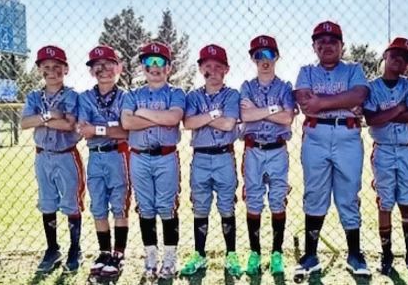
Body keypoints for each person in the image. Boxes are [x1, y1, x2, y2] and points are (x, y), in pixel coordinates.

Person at [293, 20, 371, 280]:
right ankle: (310, 255)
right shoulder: (306, 71)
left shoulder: (353, 69)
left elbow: (359, 95)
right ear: (314, 46)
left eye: (332, 41)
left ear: (342, 45)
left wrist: (321, 102)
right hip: (315, 135)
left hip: (347, 135)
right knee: (314, 192)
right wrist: (341, 101)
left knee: (348, 194)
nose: (327, 46)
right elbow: (306, 104)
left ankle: (355, 254)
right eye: (321, 42)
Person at [121, 42, 185, 280]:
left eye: (160, 62)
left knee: (167, 207)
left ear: (169, 67)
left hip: (166, 156)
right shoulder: (132, 95)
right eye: (149, 62)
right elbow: (127, 123)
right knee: (145, 208)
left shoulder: (176, 93)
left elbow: (174, 118)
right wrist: (160, 118)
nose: (155, 67)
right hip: (139, 156)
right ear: (143, 67)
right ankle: (150, 259)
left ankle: (169, 259)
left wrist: (142, 113)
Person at [363, 37, 408, 276]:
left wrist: (387, 113)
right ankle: (386, 254)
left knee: (407, 202)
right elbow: (372, 119)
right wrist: (398, 108)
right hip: (384, 149)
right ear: (385, 56)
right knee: (385, 202)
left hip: (406, 149)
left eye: (406, 59)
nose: (400, 61)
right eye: (395, 55)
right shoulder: (372, 86)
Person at [180, 44, 242, 278]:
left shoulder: (232, 94)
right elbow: (188, 123)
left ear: (226, 69)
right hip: (201, 157)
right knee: (200, 207)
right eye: (207, 66)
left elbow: (229, 124)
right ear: (200, 69)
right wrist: (217, 114)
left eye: (218, 67)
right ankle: (199, 254)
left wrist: (203, 118)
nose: (212, 71)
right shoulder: (193, 95)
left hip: (224, 155)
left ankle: (231, 254)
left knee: (227, 206)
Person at [21, 45, 84, 274]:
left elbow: (68, 124)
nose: (51, 71)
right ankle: (52, 248)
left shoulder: (71, 95)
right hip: (42, 156)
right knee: (47, 202)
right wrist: (49, 115)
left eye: (57, 66)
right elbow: (24, 123)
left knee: (70, 202)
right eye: (46, 67)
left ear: (65, 69)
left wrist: (39, 119)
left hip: (66, 155)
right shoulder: (33, 96)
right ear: (39, 70)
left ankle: (75, 249)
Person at [239, 35, 296, 276]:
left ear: (277, 57)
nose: (264, 60)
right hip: (253, 149)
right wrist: (275, 110)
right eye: (258, 55)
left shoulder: (285, 87)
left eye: (269, 55)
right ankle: (254, 253)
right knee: (253, 200)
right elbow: (245, 116)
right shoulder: (246, 86)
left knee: (276, 200)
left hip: (277, 149)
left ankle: (277, 253)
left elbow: (287, 117)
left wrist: (260, 111)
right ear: (252, 59)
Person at [77, 45, 130, 278]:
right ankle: (104, 252)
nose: (103, 69)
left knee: (119, 204)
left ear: (118, 67)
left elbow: (126, 130)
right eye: (97, 65)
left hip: (118, 154)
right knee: (98, 205)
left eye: (109, 64)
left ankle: (119, 254)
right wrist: (110, 128)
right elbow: (84, 131)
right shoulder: (85, 97)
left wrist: (99, 127)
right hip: (95, 155)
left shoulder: (126, 97)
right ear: (91, 71)